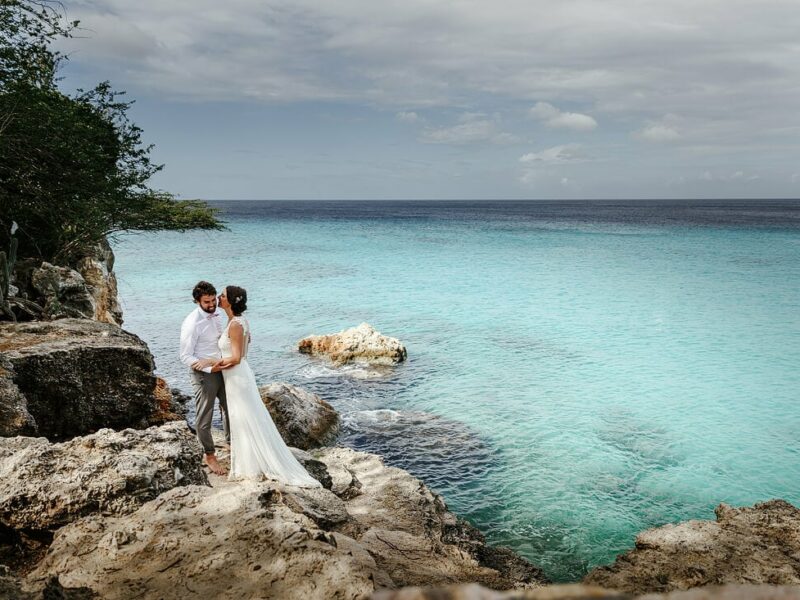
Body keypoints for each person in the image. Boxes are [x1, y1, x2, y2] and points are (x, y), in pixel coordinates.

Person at [213, 285, 321, 487]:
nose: (219, 297)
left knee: (244, 416)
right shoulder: (238, 321)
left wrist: (214, 365)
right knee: (243, 417)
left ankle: (251, 465)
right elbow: (244, 348)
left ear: (231, 301)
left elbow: (236, 357)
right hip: (238, 375)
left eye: (223, 295)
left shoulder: (236, 324)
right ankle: (250, 461)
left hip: (236, 376)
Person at [179, 281, 230, 475]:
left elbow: (218, 342)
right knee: (204, 416)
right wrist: (208, 366)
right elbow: (185, 356)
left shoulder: (216, 314)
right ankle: (209, 455)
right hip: (204, 374)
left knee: (229, 407)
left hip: (222, 368)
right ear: (197, 301)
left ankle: (231, 444)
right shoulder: (192, 323)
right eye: (206, 302)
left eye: (213, 300)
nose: (211, 305)